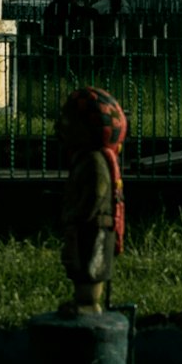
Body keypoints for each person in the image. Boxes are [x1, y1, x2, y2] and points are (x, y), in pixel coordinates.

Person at [57, 85, 127, 315]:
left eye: (68, 122)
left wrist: (79, 214)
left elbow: (96, 192)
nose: (61, 127)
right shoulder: (84, 158)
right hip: (86, 225)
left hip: (94, 226)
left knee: (91, 266)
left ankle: (88, 304)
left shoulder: (94, 161)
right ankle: (83, 301)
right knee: (79, 264)